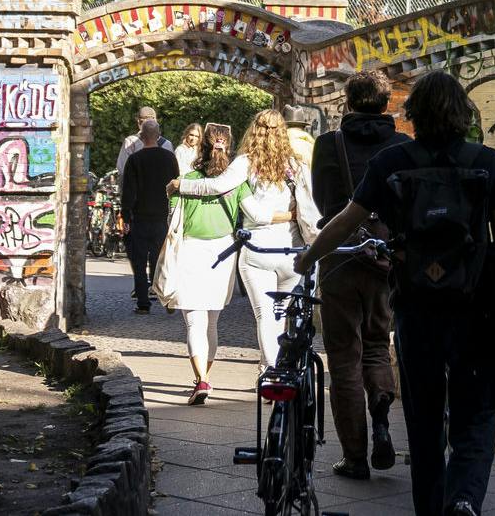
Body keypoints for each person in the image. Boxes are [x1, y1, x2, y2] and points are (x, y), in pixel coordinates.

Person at [297, 71, 495, 516]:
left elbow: (344, 219)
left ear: (412, 114)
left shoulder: (393, 163)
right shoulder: (488, 163)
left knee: (424, 421)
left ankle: (432, 507)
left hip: (417, 308)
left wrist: (307, 257)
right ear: (463, 115)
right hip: (473, 310)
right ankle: (464, 499)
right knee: (476, 416)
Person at [307, 71, 409, 480]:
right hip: (386, 257)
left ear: (346, 102)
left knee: (343, 356)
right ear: (386, 105)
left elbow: (320, 198)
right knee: (376, 344)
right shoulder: (402, 145)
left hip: (341, 254)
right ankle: (382, 410)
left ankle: (354, 455)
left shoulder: (328, 144)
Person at [154, 126, 250, 403]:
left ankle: (202, 381)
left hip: (191, 249)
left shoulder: (187, 181)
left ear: (201, 149)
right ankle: (203, 379)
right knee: (212, 323)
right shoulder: (237, 183)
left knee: (194, 321)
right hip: (223, 252)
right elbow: (253, 214)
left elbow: (173, 219)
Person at [234, 110, 320, 369]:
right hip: (293, 248)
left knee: (265, 315)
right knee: (286, 313)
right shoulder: (303, 157)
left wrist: (182, 186)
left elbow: (248, 207)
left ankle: (270, 370)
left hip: (258, 248)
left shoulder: (245, 162)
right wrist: (293, 215)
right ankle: (282, 367)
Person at [116, 119, 178, 314]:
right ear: (158, 135)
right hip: (162, 217)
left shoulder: (135, 160)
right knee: (163, 261)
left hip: (140, 218)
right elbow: (176, 187)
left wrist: (125, 217)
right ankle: (167, 298)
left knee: (140, 262)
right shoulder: (169, 158)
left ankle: (143, 303)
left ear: (141, 137)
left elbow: (129, 192)